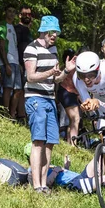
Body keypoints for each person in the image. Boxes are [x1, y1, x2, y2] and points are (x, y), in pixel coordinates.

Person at [23, 15, 76, 193]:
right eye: (52, 32)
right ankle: (36, 185)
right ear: (43, 30)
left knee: (50, 143)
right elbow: (30, 77)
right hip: (35, 99)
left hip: (50, 99)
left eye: (56, 32)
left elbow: (56, 79)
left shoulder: (53, 50)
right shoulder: (31, 49)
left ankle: (44, 184)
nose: (54, 35)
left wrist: (66, 71)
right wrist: (49, 73)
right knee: (38, 141)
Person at [0, 3, 23, 119]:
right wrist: (6, 64)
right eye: (9, 11)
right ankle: (5, 114)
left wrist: (19, 63)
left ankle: (12, 114)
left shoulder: (13, 27)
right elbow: (1, 46)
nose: (11, 14)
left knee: (18, 89)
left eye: (13, 12)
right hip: (8, 61)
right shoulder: (3, 25)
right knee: (8, 87)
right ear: (5, 12)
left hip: (15, 61)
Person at [57, 48, 80, 146]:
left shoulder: (65, 67)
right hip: (68, 92)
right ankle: (73, 144)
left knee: (72, 120)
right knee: (76, 119)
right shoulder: (72, 69)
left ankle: (69, 143)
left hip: (66, 93)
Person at [14, 5, 33, 120]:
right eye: (24, 14)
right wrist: (18, 63)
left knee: (25, 90)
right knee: (19, 90)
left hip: (29, 65)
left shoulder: (28, 30)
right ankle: (17, 114)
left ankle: (23, 114)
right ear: (20, 15)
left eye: (29, 14)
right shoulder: (17, 29)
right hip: (20, 63)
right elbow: (15, 46)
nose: (27, 16)